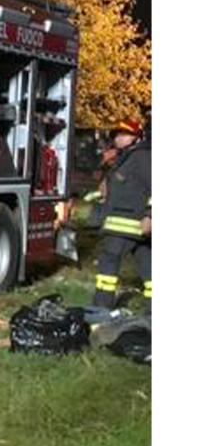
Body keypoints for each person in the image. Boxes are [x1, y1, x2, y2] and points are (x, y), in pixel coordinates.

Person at [90, 118, 151, 312]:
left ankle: (100, 308)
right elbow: (120, 185)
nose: (118, 138)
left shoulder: (143, 156)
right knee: (148, 265)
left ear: (136, 137)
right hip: (129, 223)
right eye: (116, 134)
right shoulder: (125, 157)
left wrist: (151, 215)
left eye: (124, 134)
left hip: (129, 223)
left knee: (109, 260)